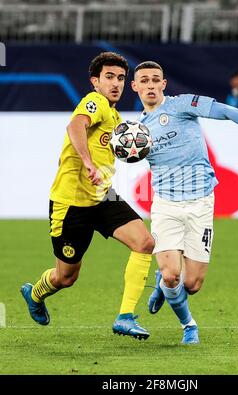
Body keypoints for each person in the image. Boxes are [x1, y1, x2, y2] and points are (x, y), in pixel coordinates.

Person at [131, 61, 238, 344]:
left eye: (156, 80)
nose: (150, 85)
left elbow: (225, 110)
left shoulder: (183, 104)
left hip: (201, 203)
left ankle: (164, 285)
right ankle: (188, 324)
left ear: (164, 84)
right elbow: (129, 156)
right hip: (165, 205)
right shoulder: (137, 132)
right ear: (136, 86)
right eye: (144, 80)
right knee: (172, 275)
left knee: (192, 284)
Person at [20, 52, 154, 340]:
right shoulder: (94, 103)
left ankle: (125, 316)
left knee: (144, 242)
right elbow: (75, 126)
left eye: (120, 78)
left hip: (103, 197)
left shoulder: (115, 116)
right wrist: (88, 161)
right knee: (65, 277)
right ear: (95, 81)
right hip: (71, 204)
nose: (116, 83)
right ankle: (36, 293)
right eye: (109, 77)